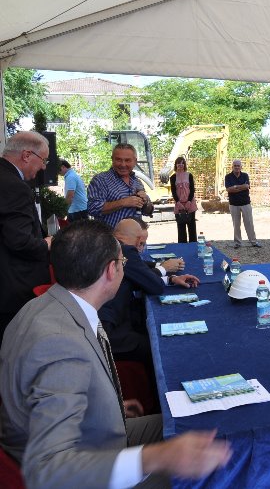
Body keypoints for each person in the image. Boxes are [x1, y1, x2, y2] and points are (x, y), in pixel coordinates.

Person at [0, 220, 231, 488]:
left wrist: (102, 403)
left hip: (91, 432)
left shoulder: (45, 306)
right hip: (82, 468)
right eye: (123, 261)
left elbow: (48, 397)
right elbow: (50, 470)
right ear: (112, 270)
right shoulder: (60, 345)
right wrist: (157, 457)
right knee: (215, 472)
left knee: (196, 428)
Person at [100, 219, 199, 363]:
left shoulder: (108, 246)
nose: (141, 247)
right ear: (139, 239)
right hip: (109, 331)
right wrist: (164, 269)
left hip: (108, 320)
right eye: (141, 243)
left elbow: (135, 272)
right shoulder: (124, 250)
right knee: (159, 346)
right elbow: (154, 286)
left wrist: (171, 279)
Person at [0, 131, 52, 338]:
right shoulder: (15, 187)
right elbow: (20, 242)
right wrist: (47, 243)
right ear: (27, 155)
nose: (44, 167)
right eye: (44, 160)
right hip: (13, 289)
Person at [88, 143, 153, 228]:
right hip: (110, 235)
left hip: (135, 235)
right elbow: (92, 208)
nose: (123, 164)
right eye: (118, 160)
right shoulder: (100, 180)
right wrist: (123, 202)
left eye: (127, 160)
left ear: (135, 161)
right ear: (112, 159)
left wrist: (146, 201)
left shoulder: (137, 182)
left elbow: (147, 212)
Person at [224, 159, 261, 248]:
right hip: (233, 204)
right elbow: (229, 189)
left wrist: (235, 187)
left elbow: (247, 186)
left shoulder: (245, 175)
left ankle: (253, 241)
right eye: (235, 166)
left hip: (245, 203)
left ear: (241, 167)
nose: (237, 167)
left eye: (238, 166)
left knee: (249, 223)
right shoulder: (228, 177)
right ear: (232, 167)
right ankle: (238, 243)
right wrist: (241, 187)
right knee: (236, 224)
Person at [169, 156, 197, 243]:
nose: (180, 165)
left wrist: (189, 201)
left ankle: (193, 246)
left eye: (182, 163)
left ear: (184, 165)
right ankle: (182, 247)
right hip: (179, 204)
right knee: (181, 229)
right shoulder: (173, 177)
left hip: (190, 203)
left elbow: (192, 189)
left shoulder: (189, 175)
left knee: (192, 228)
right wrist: (178, 203)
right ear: (176, 165)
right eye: (178, 163)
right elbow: (173, 191)